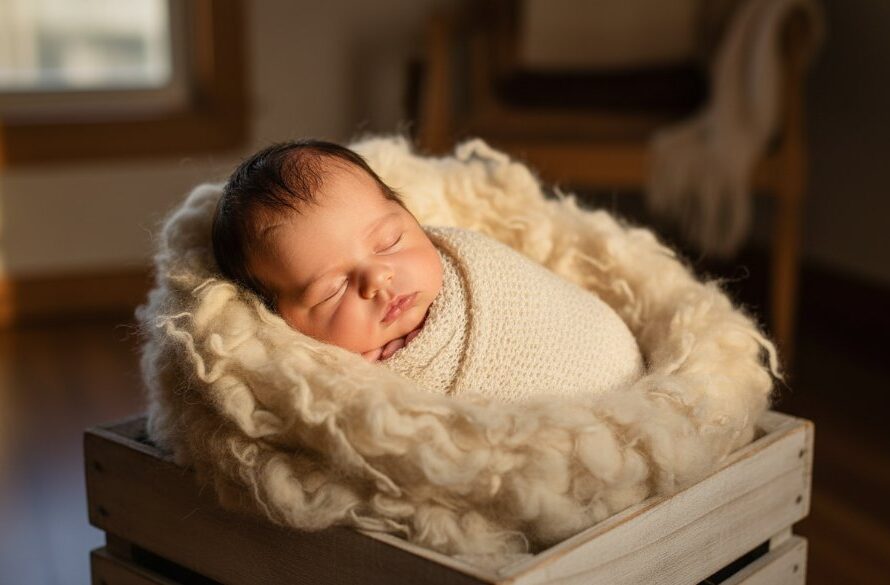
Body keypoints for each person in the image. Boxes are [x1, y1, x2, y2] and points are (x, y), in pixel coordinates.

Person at [212, 139, 644, 402]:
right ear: (279, 319)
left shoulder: (469, 263)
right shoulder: (320, 382)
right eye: (331, 290)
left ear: (412, 218)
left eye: (389, 241)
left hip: (607, 359)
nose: (376, 279)